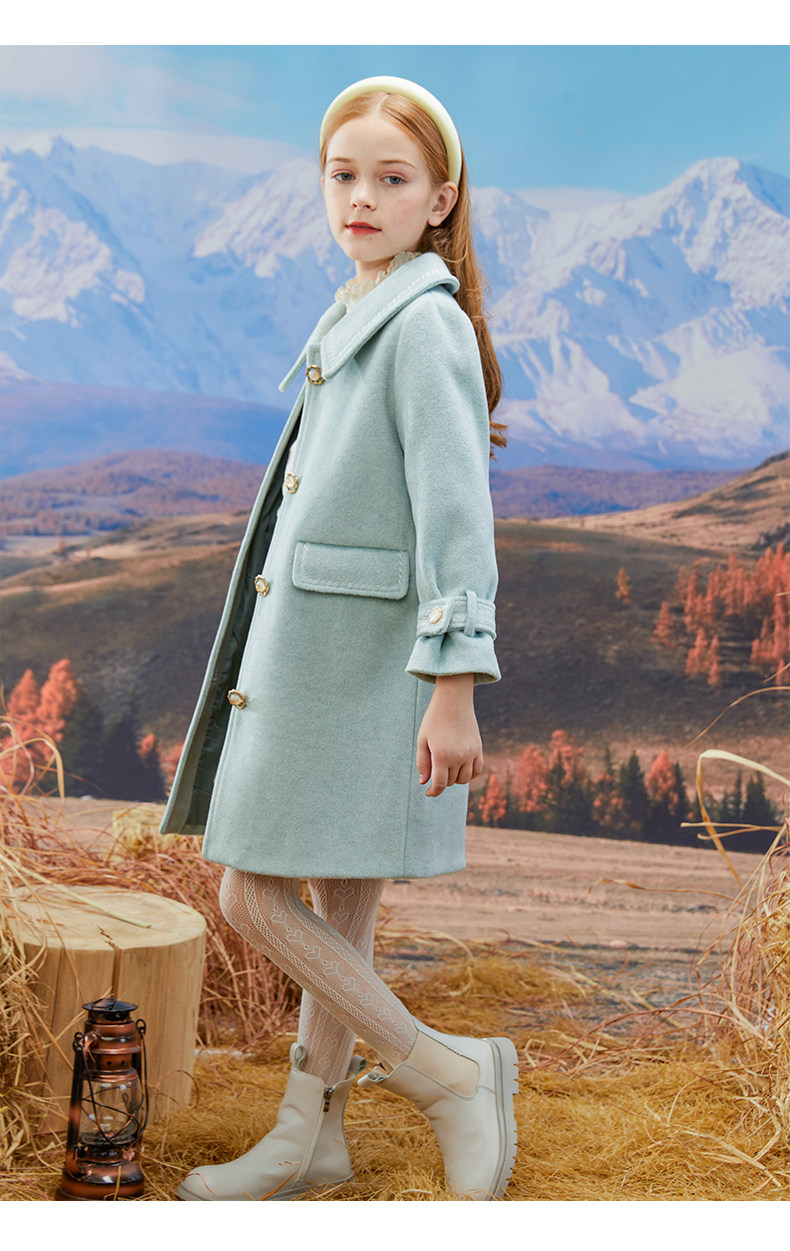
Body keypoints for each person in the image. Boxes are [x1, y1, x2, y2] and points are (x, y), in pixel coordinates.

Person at [161, 75, 517, 1202]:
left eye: (391, 179)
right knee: (342, 905)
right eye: (343, 174)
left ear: (440, 201)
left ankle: (450, 1076)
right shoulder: (360, 307)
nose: (361, 197)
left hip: (369, 670)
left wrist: (454, 685)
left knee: (249, 894)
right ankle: (308, 1134)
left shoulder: (423, 326)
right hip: (332, 658)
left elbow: (458, 520)